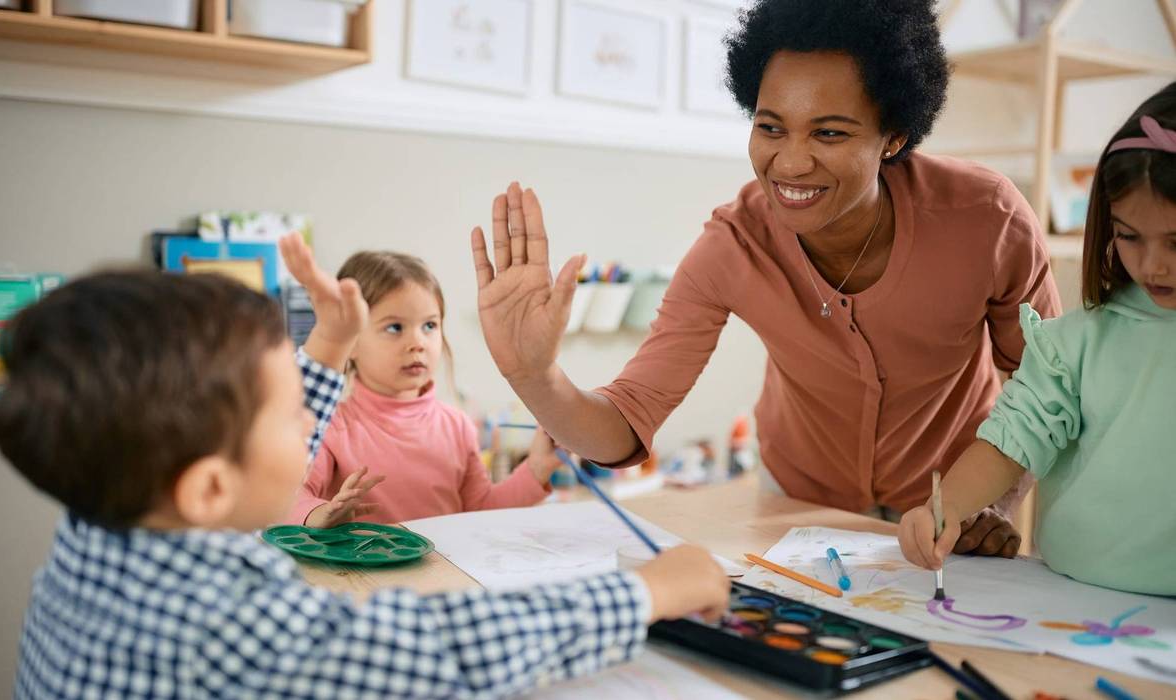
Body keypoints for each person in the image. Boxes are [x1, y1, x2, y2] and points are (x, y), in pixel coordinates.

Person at [0, 232, 730, 698]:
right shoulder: (220, 628)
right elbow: (442, 650)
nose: (313, 419)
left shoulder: (102, 532)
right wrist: (639, 593)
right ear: (210, 488)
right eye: (293, 414)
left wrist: (321, 349)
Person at [469, 0, 1060, 555]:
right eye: (771, 127)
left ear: (894, 137)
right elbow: (624, 426)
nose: (792, 161)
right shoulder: (734, 244)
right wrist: (535, 375)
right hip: (799, 508)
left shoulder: (987, 220)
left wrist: (993, 505)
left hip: (950, 511)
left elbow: (1048, 388)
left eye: (829, 133)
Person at [898, 83, 1176, 596]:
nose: (1153, 265)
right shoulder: (1076, 342)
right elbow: (1010, 442)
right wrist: (945, 509)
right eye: (1129, 236)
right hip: (1066, 597)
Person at [288, 249, 560, 526]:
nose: (418, 342)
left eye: (429, 325)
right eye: (395, 328)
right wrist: (320, 513)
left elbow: (480, 512)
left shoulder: (458, 426)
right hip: (366, 571)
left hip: (446, 570)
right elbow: (291, 496)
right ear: (351, 341)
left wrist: (537, 468)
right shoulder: (328, 426)